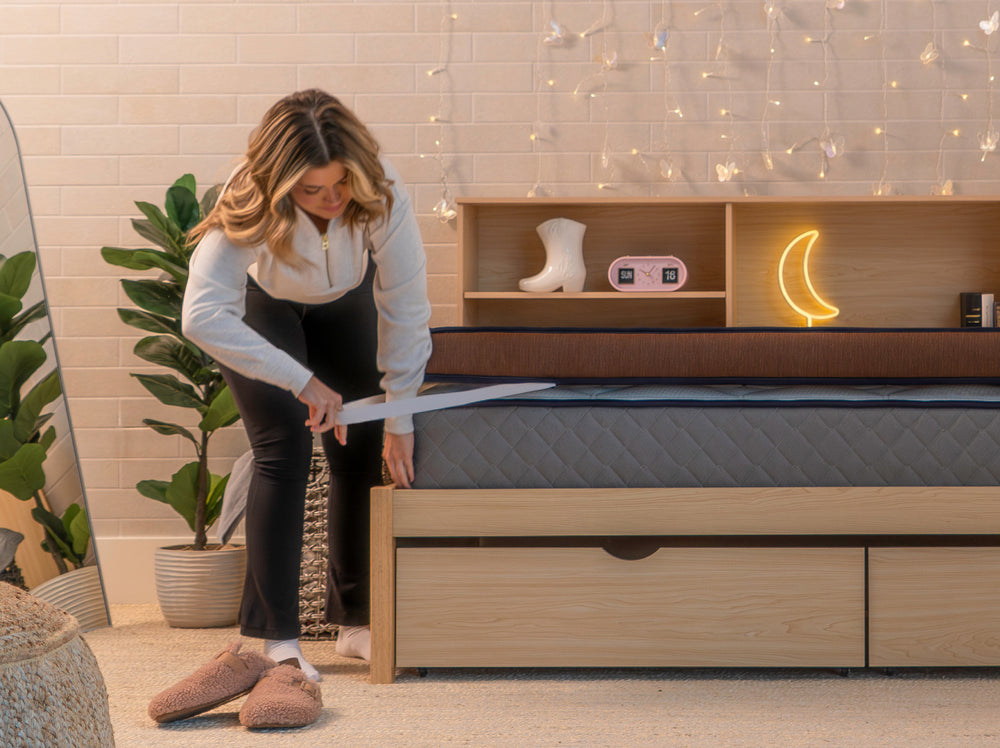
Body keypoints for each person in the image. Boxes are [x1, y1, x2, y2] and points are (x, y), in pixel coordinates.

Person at [183, 89, 432, 681]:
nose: (330, 201)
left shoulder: (383, 189)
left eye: (340, 185)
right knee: (283, 453)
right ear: (280, 182)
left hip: (345, 302)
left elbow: (405, 306)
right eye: (311, 190)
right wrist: (301, 382)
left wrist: (400, 415)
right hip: (266, 307)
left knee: (361, 447)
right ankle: (278, 640)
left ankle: (358, 624)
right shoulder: (248, 194)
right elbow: (201, 315)